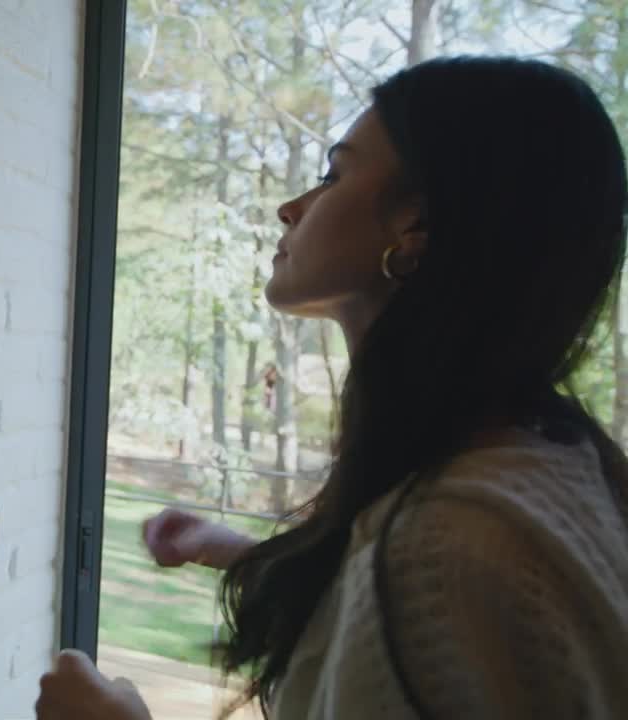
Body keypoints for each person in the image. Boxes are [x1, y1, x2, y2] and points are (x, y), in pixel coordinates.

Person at [36, 56, 628, 719]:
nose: (291, 208)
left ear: (416, 228)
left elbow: (438, 585)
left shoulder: (445, 545)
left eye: (333, 175)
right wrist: (251, 556)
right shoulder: (556, 463)